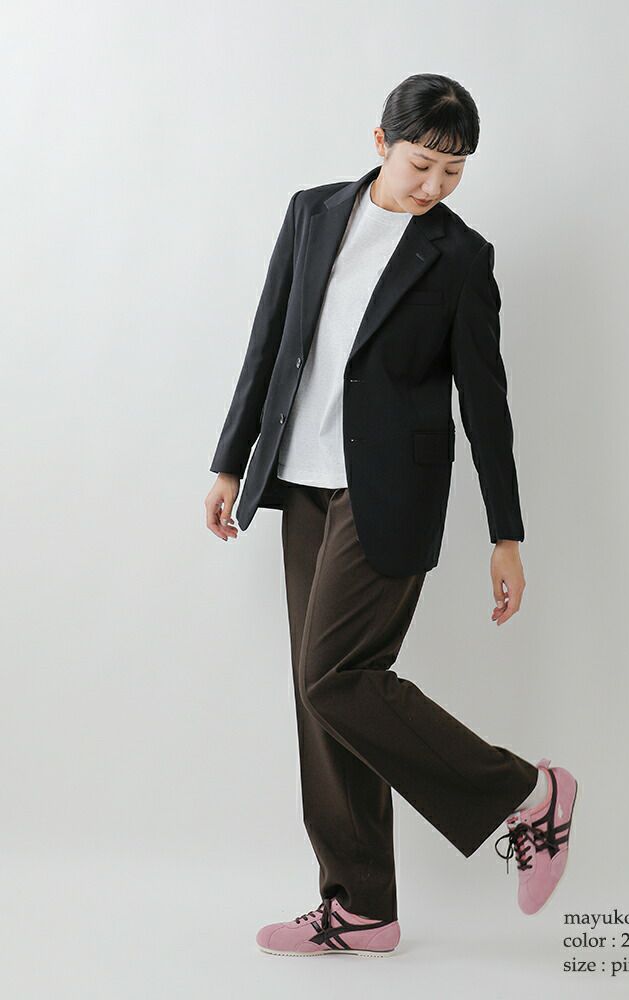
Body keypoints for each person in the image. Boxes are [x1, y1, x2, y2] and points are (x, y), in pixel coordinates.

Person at [205, 73, 578, 958]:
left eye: (455, 171)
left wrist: (507, 534)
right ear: (381, 142)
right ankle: (361, 906)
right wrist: (230, 459)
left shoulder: (460, 257)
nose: (435, 186)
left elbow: (486, 403)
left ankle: (527, 795)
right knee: (321, 700)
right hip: (300, 482)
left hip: (391, 495)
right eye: (421, 165)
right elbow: (270, 339)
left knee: (336, 677)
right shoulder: (312, 213)